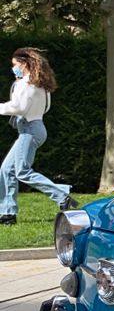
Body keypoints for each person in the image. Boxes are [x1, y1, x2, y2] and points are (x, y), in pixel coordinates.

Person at [0, 48, 77, 225]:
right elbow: (44, 107)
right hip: (35, 127)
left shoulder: (26, 83)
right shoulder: (40, 84)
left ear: (24, 64)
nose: (14, 69)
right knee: (6, 170)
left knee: (22, 171)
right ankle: (7, 213)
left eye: (15, 65)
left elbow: (19, 108)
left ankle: (62, 196)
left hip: (29, 130)